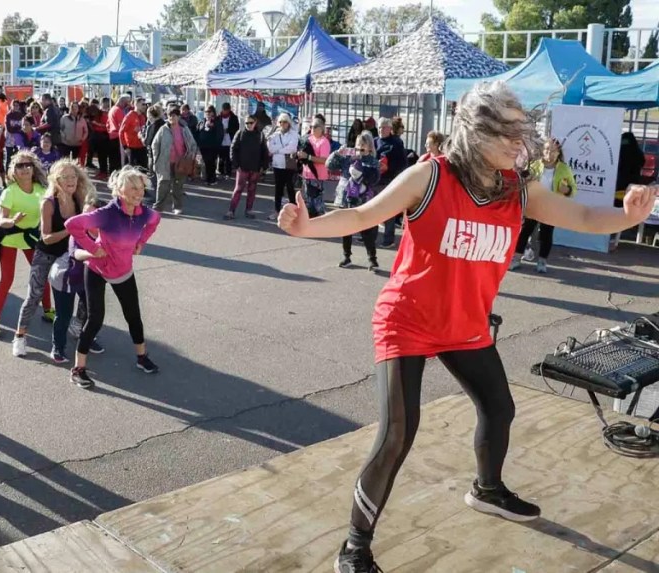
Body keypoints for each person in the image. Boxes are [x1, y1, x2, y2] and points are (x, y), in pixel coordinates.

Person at [275, 80, 659, 573]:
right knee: (398, 434)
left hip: (465, 325)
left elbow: (583, 214)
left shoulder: (518, 190)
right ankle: (354, 547)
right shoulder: (429, 177)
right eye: (508, 136)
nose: (519, 146)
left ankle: (487, 490)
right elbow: (363, 214)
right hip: (406, 320)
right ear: (477, 135)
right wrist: (307, 226)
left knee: (500, 409)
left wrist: (626, 217)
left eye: (521, 135)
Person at [63, 166, 160, 389]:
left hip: (123, 270)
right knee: (95, 319)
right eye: (133, 187)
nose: (138, 192)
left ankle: (142, 357)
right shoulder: (107, 213)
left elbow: (156, 220)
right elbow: (73, 225)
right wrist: (92, 248)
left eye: (141, 187)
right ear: (119, 189)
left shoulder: (143, 213)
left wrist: (141, 242)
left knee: (133, 316)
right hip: (97, 268)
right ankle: (78, 369)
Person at [11, 159, 95, 360]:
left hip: (70, 254)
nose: (71, 180)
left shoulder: (80, 199)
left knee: (87, 293)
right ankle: (20, 336)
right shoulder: (48, 203)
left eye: (73, 176)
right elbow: (46, 237)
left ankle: (78, 326)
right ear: (56, 181)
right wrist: (70, 229)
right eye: (65, 177)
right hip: (46, 254)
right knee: (35, 295)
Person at [0, 150, 51, 338]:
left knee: (42, 274)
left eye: (27, 165)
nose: (24, 169)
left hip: (31, 238)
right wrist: (13, 221)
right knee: (7, 279)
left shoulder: (41, 190)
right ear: (13, 172)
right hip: (10, 238)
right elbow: (1, 221)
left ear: (33, 168)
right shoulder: (9, 192)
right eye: (19, 166)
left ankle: (49, 311)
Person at [511, 137, 576, 274]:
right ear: (542, 151)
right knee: (525, 231)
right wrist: (524, 176)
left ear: (558, 153)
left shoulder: (564, 169)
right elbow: (523, 179)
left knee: (546, 235)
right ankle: (516, 259)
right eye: (547, 150)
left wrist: (568, 190)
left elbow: (573, 188)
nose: (549, 154)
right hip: (534, 204)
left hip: (552, 206)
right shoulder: (535, 164)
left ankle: (542, 261)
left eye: (553, 151)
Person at [328, 132, 381, 271]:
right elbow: (329, 165)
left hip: (364, 200)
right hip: (348, 200)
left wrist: (360, 170)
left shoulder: (372, 161)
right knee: (347, 228)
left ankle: (372, 259)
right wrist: (337, 154)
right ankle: (347, 256)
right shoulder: (348, 158)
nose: (360, 147)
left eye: (363, 144)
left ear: (370, 147)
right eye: (358, 144)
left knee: (367, 231)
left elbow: (374, 179)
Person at [151, 108, 198, 216]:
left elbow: (192, 144)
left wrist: (190, 156)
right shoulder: (163, 129)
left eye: (174, 115)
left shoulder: (184, 129)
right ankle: (158, 207)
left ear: (178, 116)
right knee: (163, 185)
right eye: (170, 115)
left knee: (178, 186)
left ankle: (177, 207)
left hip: (180, 163)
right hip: (165, 163)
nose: (172, 118)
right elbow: (155, 145)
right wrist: (156, 158)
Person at [225, 115, 269, 220]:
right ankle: (231, 210)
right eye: (247, 123)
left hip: (255, 168)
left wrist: (264, 166)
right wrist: (236, 165)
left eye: (251, 122)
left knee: (252, 190)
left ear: (255, 122)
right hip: (242, 167)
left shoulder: (261, 135)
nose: (249, 125)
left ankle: (249, 209)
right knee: (238, 189)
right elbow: (233, 149)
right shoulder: (240, 133)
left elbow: (265, 152)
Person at [375, 116, 408, 246]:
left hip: (389, 180)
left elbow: (402, 163)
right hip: (375, 180)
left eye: (383, 127)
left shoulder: (396, 143)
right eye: (379, 127)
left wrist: (388, 167)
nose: (381, 130)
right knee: (373, 210)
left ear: (389, 129)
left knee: (388, 211)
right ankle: (369, 235)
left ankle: (388, 239)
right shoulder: (374, 141)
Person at [267, 113, 300, 220]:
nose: (282, 124)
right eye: (280, 122)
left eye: (284, 121)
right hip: (277, 164)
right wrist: (281, 149)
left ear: (288, 123)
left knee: (290, 187)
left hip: (288, 165)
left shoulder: (293, 134)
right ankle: (277, 211)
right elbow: (270, 148)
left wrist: (277, 150)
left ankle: (294, 211)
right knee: (278, 188)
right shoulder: (275, 134)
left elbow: (292, 148)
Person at [299, 118, 332, 217]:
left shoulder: (324, 142)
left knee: (317, 203)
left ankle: (320, 224)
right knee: (309, 202)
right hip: (307, 174)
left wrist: (308, 157)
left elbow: (324, 160)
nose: (311, 128)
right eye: (311, 126)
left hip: (317, 176)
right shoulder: (308, 138)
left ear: (321, 129)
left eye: (314, 126)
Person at [198, 106, 224, 186]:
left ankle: (212, 179)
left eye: (209, 111)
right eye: (206, 112)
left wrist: (217, 145)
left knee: (211, 162)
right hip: (203, 146)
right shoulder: (202, 121)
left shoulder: (217, 122)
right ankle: (208, 178)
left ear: (213, 112)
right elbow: (198, 130)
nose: (207, 113)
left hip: (213, 147)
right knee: (206, 162)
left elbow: (220, 134)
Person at [119, 99, 147, 170]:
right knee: (132, 171)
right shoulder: (130, 116)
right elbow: (121, 132)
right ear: (136, 105)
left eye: (145, 104)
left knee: (143, 170)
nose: (145, 106)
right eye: (142, 104)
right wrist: (125, 147)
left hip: (141, 147)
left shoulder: (143, 117)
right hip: (132, 149)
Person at [218, 102, 239, 178]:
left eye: (227, 110)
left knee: (228, 157)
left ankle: (228, 172)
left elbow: (236, 128)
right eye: (224, 110)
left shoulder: (234, 117)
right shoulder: (218, 117)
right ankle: (221, 170)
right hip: (220, 139)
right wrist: (221, 131)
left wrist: (228, 130)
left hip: (230, 139)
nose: (225, 111)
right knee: (221, 157)